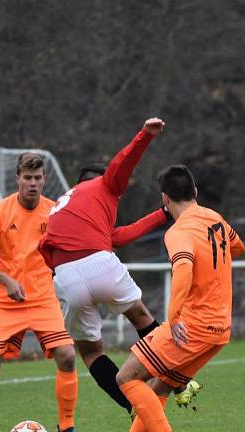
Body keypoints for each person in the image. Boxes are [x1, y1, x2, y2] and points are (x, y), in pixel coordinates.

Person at [39, 118, 201, 414]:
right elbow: (123, 162)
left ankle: (133, 407)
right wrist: (145, 135)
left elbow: (116, 237)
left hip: (65, 276)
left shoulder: (63, 205)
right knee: (141, 317)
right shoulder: (105, 185)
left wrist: (161, 215)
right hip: (100, 265)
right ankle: (180, 383)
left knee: (89, 352)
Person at [97, 165, 245, 432]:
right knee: (158, 386)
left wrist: (175, 317)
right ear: (195, 192)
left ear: (165, 198)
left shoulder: (177, 231)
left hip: (192, 325)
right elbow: (237, 246)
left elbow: (183, 269)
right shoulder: (215, 218)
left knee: (126, 377)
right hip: (220, 329)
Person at [0, 153, 95, 432]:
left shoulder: (54, 212)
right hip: (4, 300)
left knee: (67, 356)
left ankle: (67, 429)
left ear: (44, 179)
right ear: (18, 179)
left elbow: (70, 247)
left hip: (43, 298)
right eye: (27, 178)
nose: (33, 183)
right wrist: (7, 280)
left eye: (38, 178)